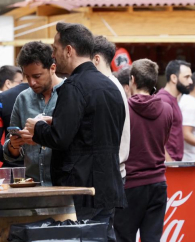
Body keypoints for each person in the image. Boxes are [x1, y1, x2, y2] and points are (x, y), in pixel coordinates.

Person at [25, 22, 126, 242]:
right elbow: (96, 129)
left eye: (55, 48)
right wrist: (59, 121)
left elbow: (60, 138)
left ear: (69, 50)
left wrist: (38, 127)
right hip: (108, 183)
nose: (53, 55)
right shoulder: (110, 85)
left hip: (83, 187)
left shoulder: (74, 86)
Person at [114, 59, 172, 242]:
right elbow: (163, 140)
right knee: (152, 238)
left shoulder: (123, 109)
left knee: (123, 237)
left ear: (132, 80)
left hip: (130, 183)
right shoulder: (167, 109)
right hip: (158, 182)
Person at [3, 41, 63, 186]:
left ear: (52, 68)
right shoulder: (23, 98)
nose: (31, 82)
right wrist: (14, 145)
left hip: (63, 186)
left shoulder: (69, 95)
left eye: (37, 76)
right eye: (27, 76)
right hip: (32, 186)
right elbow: (9, 152)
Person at [92, 35, 130, 183]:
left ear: (96, 59)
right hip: (113, 171)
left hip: (109, 173)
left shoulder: (107, 87)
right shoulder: (113, 84)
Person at [0, 78, 29, 167]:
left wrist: (11, 158)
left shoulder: (3, 98)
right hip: (52, 172)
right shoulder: (57, 93)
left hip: (16, 172)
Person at [155, 60, 193, 161]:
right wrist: (170, 162)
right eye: (186, 77)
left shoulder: (172, 98)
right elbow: (157, 136)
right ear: (173, 78)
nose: (191, 81)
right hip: (169, 166)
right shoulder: (164, 100)